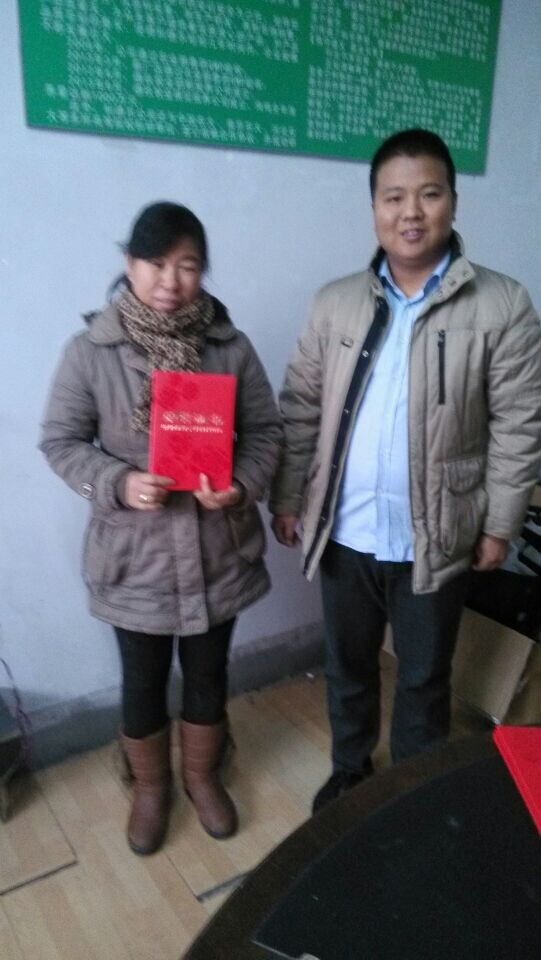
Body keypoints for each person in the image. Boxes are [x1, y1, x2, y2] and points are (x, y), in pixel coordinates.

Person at [270, 129, 541, 814]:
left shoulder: (502, 304)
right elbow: (300, 406)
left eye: (429, 194)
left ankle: (411, 796)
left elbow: (518, 424)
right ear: (374, 209)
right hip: (345, 530)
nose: (411, 212)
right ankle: (350, 773)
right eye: (393, 197)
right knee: (348, 667)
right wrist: (287, 496)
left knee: (423, 677)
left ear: (453, 201)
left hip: (437, 534)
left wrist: (499, 524)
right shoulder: (335, 302)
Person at [40, 202, 282, 854]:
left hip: (218, 550)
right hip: (133, 558)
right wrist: (118, 483)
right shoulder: (90, 352)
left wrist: (241, 485)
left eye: (188, 265)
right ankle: (150, 786)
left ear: (203, 271)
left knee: (207, 676)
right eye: (155, 262)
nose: (170, 280)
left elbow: (267, 433)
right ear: (129, 263)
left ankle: (202, 774)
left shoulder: (229, 349)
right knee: (142, 683)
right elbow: (60, 443)